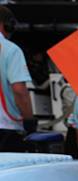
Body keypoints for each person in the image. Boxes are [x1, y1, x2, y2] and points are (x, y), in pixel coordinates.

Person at [0, 6, 36, 152]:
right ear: (7, 24)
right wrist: (29, 121)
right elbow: (19, 91)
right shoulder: (10, 50)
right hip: (6, 127)